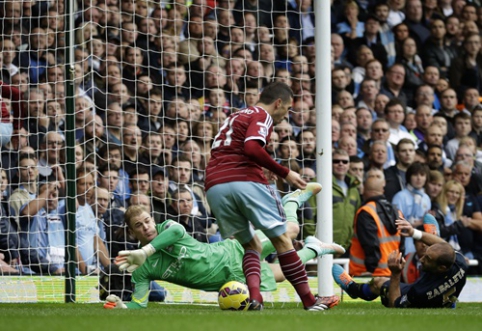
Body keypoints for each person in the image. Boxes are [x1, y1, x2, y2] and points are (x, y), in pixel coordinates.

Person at [203, 81, 334, 311]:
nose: (287, 114)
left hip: (215, 185)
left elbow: (231, 149)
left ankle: (255, 299)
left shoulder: (235, 116)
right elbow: (252, 147)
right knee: (283, 240)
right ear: (278, 102)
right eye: (288, 108)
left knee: (251, 244)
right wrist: (285, 172)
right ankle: (310, 301)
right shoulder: (263, 115)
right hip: (244, 182)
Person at [105, 196, 345, 309]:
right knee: (282, 273)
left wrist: (146, 250)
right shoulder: (141, 268)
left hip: (231, 251)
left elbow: (177, 231)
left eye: (147, 220)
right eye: (139, 225)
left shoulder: (167, 227)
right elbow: (140, 303)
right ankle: (315, 247)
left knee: (290, 230)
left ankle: (291, 201)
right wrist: (124, 307)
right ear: (132, 232)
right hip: (231, 278)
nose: (146, 227)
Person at [333, 215, 468, 308]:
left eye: (427, 259)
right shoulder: (460, 263)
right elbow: (447, 248)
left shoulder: (420, 292)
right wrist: (413, 232)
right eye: (425, 255)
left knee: (378, 282)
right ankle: (433, 237)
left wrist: (395, 273)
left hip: (430, 297)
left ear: (442, 268)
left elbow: (395, 305)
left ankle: (353, 289)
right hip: (444, 294)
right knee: (442, 249)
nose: (421, 259)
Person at [349, 176, 403, 277]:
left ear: (365, 189)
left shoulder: (366, 212)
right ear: (382, 190)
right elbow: (402, 246)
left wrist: (371, 269)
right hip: (391, 272)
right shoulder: (397, 212)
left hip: (366, 274)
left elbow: (370, 244)